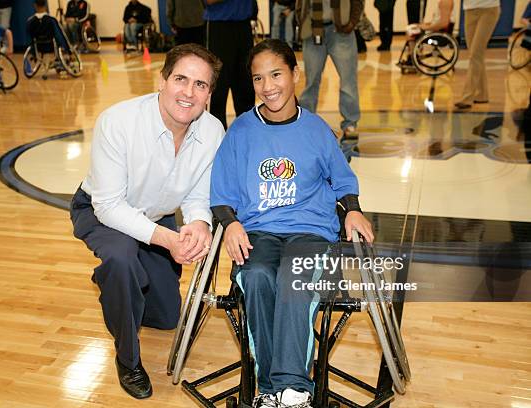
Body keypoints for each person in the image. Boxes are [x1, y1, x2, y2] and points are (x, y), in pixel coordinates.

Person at [210, 39, 374, 408]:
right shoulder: (240, 132)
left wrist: (352, 209)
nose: (268, 87)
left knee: (292, 278)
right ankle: (270, 390)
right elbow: (221, 191)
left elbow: (343, 181)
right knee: (256, 276)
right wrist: (230, 224)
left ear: (295, 74)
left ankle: (293, 389)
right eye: (257, 78)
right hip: (260, 232)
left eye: (276, 74)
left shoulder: (316, 130)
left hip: (311, 233)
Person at [69, 43, 224, 400]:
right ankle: (127, 358)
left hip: (156, 216)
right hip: (101, 211)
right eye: (181, 79)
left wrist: (199, 224)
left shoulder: (213, 132)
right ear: (161, 80)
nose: (188, 92)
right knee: (122, 259)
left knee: (167, 317)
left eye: (200, 85)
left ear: (209, 94)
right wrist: (168, 241)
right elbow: (108, 206)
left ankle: (116, 285)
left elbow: (198, 196)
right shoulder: (118, 121)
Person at [296, 0, 363, 138]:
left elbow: (358, 2)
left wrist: (352, 23)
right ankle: (304, 123)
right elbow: (300, 5)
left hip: (341, 31)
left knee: (348, 80)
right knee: (311, 82)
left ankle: (350, 123)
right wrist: (302, 22)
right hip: (313, 31)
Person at [204, 0, 257, 129]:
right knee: (219, 86)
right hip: (219, 27)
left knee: (245, 85)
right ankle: (217, 136)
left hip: (244, 26)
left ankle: (248, 133)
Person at [454, 0, 500, 110]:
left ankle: (467, 97)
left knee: (475, 54)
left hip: (489, 9)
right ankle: (482, 95)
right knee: (475, 54)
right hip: (469, 10)